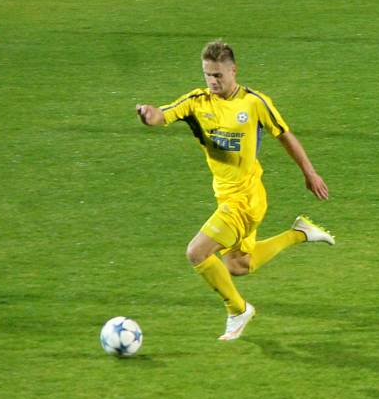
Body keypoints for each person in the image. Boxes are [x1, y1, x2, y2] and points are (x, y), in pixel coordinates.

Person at [136, 40, 334, 341]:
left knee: (197, 252)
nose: (212, 82)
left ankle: (237, 309)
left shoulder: (254, 103)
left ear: (233, 70)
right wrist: (150, 115)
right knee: (239, 266)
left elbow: (285, 135)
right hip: (226, 196)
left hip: (247, 199)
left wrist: (309, 173)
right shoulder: (197, 102)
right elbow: (164, 114)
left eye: (218, 75)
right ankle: (300, 232)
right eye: (207, 75)